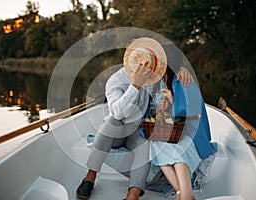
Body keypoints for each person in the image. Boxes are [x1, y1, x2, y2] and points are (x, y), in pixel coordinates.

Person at [76, 37, 194, 200]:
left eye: (148, 62)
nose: (145, 67)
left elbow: (166, 78)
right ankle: (90, 177)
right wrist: (135, 85)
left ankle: (134, 194)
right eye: (140, 62)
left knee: (145, 144)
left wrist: (181, 69)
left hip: (137, 130)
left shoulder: (152, 78)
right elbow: (117, 113)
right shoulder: (115, 80)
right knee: (111, 122)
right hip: (117, 131)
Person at [145, 44, 217, 200]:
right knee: (156, 147)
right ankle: (183, 193)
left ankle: (185, 196)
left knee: (177, 153)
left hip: (190, 132)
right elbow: (164, 117)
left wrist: (171, 101)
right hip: (171, 130)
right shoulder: (158, 82)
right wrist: (163, 110)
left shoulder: (184, 79)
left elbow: (190, 115)